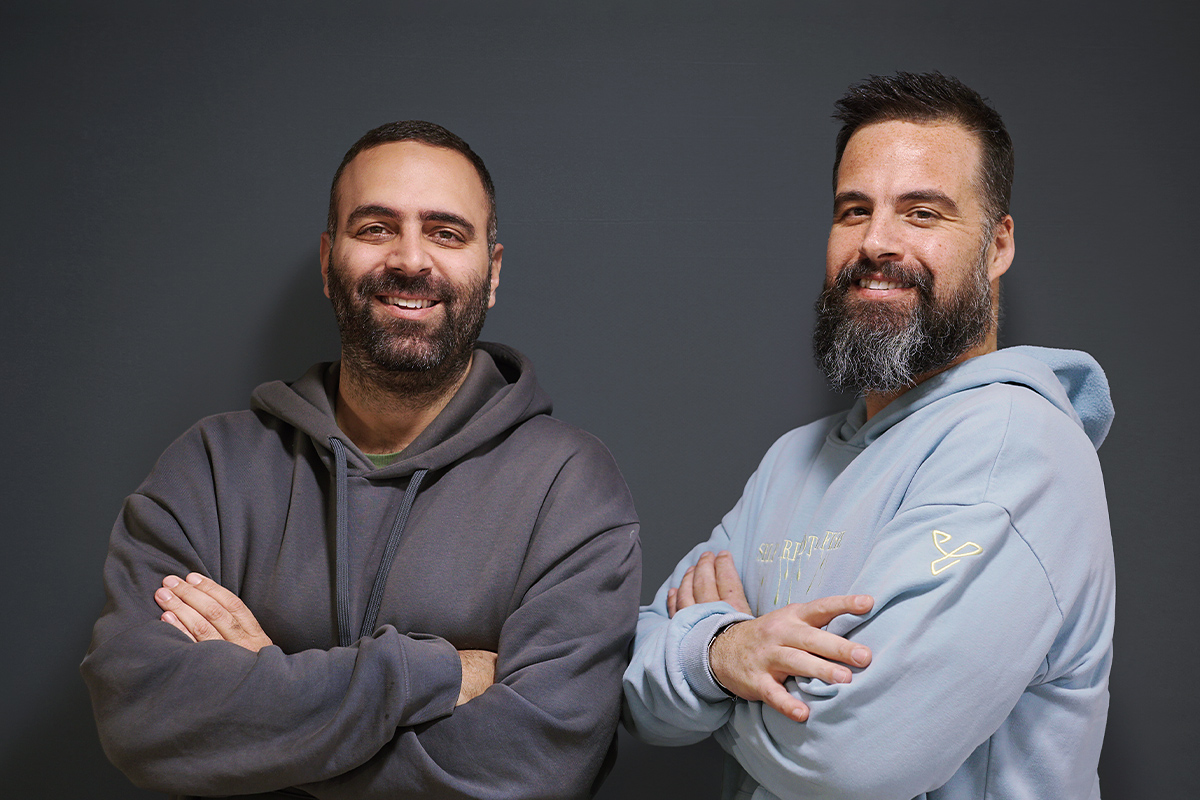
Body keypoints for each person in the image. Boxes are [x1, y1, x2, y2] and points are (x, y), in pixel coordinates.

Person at [81, 121, 642, 800]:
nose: (410, 259)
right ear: (328, 261)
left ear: (492, 272)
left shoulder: (569, 485)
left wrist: (266, 701)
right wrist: (434, 675)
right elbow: (140, 715)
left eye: (446, 233)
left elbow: (538, 769)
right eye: (376, 228)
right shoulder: (211, 468)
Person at [622, 72, 1115, 799]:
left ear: (998, 244)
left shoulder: (1017, 449)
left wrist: (706, 662)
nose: (877, 242)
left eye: (922, 213)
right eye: (854, 211)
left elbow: (848, 760)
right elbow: (629, 690)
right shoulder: (791, 463)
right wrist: (725, 647)